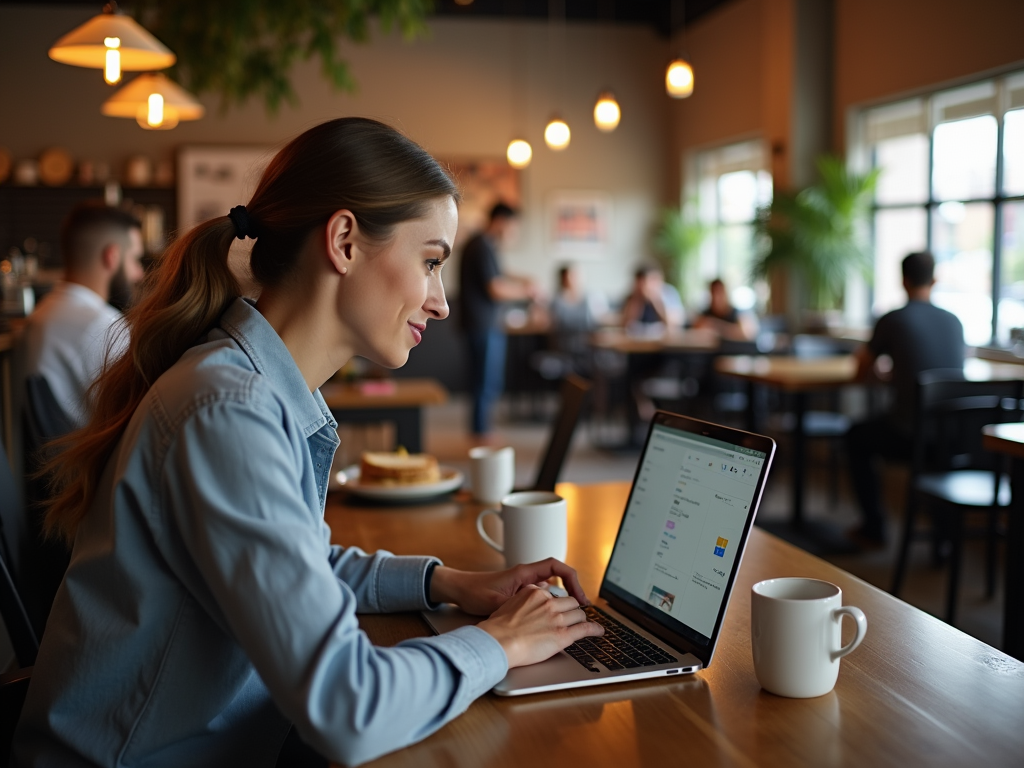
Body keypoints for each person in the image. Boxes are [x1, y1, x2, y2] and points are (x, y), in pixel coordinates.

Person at [14, 118, 602, 768]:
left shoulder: (253, 387)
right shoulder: (227, 411)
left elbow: (303, 566)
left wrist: (452, 584)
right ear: (345, 241)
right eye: (431, 261)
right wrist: (501, 645)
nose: (440, 302)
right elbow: (347, 708)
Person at [845, 251, 965, 547]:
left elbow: (861, 371)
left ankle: (874, 528)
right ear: (934, 280)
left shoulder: (893, 319)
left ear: (904, 280)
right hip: (953, 436)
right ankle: (944, 539)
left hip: (910, 436)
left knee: (854, 437)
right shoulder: (955, 322)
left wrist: (888, 376)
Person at [19, 201, 144, 426]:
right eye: (135, 259)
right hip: (97, 458)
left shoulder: (42, 312)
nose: (139, 274)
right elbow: (139, 421)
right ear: (112, 256)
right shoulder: (103, 325)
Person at [458, 202, 538, 439]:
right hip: (482, 324)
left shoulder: (484, 245)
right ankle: (481, 434)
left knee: (483, 380)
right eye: (513, 226)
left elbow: (499, 273)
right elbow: (495, 288)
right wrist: (528, 293)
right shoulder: (481, 246)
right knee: (485, 382)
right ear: (502, 221)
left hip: (480, 323)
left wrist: (524, 279)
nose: (514, 232)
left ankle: (481, 430)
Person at [548, 264, 609, 375]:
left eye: (577, 275)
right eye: (571, 276)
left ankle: (595, 392)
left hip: (590, 348)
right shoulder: (556, 301)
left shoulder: (591, 298)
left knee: (601, 367)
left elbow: (601, 319)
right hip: (566, 348)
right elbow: (550, 325)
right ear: (563, 279)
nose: (575, 279)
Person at [621, 264, 684, 331]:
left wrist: (655, 300)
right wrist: (637, 300)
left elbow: (674, 324)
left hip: (665, 339)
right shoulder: (632, 296)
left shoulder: (669, 293)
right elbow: (625, 324)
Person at [692, 278, 757, 341]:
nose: (716, 298)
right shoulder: (706, 314)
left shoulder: (736, 313)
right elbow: (695, 330)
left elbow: (747, 334)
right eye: (713, 293)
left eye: (719, 293)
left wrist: (715, 326)